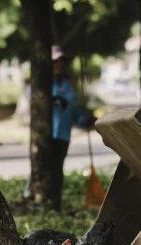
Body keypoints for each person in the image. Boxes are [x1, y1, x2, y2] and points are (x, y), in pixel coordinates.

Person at [24, 45, 94, 199]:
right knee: (42, 168)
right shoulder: (41, 84)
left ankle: (55, 201)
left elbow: (73, 110)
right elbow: (33, 99)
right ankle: (32, 196)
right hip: (47, 134)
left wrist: (85, 120)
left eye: (61, 62)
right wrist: (53, 99)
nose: (59, 65)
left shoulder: (67, 85)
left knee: (57, 170)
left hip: (63, 135)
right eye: (55, 62)